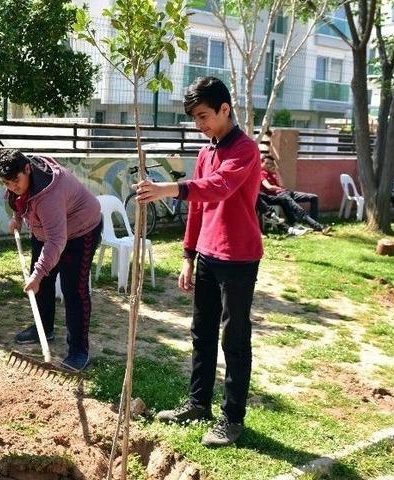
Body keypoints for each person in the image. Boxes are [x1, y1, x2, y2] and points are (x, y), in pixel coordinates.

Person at [133, 76, 262, 447]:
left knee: (233, 339)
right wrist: (188, 255)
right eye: (195, 118)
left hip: (238, 257)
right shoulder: (206, 152)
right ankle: (198, 404)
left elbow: (219, 188)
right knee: (201, 333)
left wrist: (168, 189)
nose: (200, 124)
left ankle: (232, 418)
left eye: (204, 116)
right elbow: (198, 208)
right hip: (206, 254)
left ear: (225, 109)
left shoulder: (245, 150)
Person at [0, 149, 103, 372]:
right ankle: (43, 329)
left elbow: (56, 241)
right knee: (42, 283)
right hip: (46, 229)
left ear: (27, 169)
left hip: (81, 231)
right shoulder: (22, 175)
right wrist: (17, 218)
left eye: (16, 181)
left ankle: (79, 352)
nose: (13, 186)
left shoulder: (48, 195)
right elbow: (16, 199)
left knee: (73, 290)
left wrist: (37, 274)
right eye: (6, 183)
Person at [259, 154, 330, 234]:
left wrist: (276, 172)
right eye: (267, 163)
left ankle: (313, 222)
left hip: (287, 192)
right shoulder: (260, 173)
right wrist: (279, 188)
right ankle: (317, 226)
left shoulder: (272, 173)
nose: (269, 165)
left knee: (313, 197)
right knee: (298, 209)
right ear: (261, 163)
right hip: (280, 195)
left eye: (271, 163)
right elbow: (269, 187)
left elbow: (282, 184)